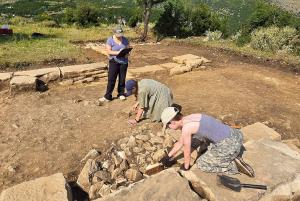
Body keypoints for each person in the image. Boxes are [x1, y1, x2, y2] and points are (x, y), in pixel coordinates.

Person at [160, 107, 254, 177]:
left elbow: (187, 150)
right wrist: (168, 156)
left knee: (202, 164)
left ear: (173, 122)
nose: (169, 127)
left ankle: (232, 164)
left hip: (230, 144)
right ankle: (230, 155)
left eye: (168, 125)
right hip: (235, 134)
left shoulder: (187, 128)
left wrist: (186, 166)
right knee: (206, 142)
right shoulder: (191, 117)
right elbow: (181, 142)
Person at [99, 26, 130, 102]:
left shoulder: (125, 40)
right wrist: (118, 53)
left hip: (124, 62)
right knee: (111, 79)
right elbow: (108, 51)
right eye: (118, 34)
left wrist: (127, 54)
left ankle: (121, 94)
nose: (120, 36)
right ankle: (108, 96)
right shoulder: (110, 40)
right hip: (114, 62)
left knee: (122, 79)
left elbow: (128, 50)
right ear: (114, 33)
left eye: (121, 34)